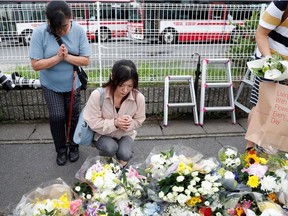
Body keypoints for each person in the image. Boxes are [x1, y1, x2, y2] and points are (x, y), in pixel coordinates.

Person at [29, 0, 91, 165]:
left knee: (74, 117)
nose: (62, 31)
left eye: (65, 26)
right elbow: (36, 64)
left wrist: (67, 57)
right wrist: (57, 58)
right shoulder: (39, 33)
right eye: (58, 28)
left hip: (72, 83)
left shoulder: (78, 30)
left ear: (71, 18)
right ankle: (61, 149)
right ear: (49, 23)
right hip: (51, 85)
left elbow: (85, 60)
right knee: (57, 117)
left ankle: (74, 145)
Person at [83, 59, 146, 167]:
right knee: (110, 148)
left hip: (125, 134)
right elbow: (93, 122)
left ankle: (119, 170)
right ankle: (104, 165)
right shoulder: (98, 95)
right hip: (102, 134)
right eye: (121, 84)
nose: (125, 90)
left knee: (125, 154)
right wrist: (115, 123)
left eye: (130, 86)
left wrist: (130, 123)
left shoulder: (138, 97)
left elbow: (139, 120)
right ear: (112, 77)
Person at [246, 1, 288, 151]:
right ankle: (250, 148)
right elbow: (261, 34)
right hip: (270, 61)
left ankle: (273, 147)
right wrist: (271, 62)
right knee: (261, 107)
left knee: (282, 108)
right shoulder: (281, 4)